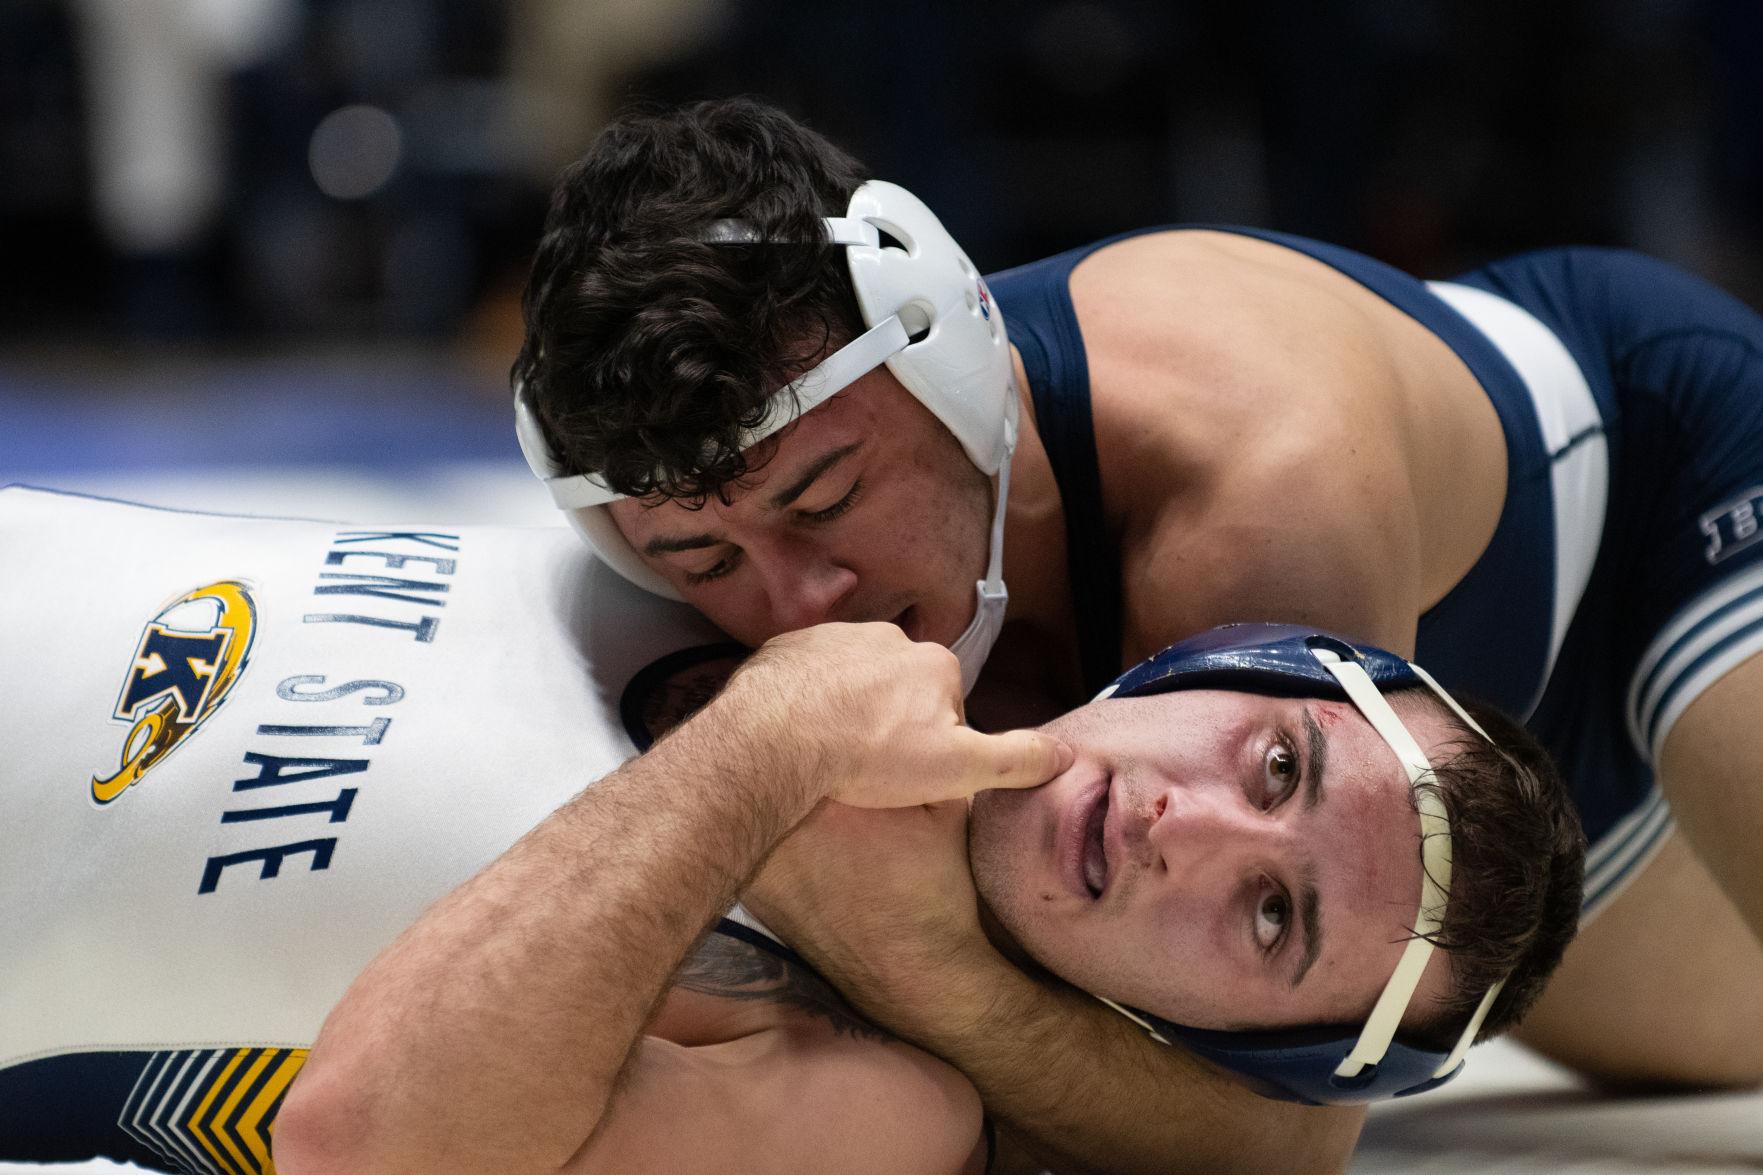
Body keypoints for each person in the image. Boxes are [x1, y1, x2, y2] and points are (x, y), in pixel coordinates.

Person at [512, 96, 1763, 1170]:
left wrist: (919, 955)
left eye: (828, 499)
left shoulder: (1248, 487)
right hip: (1419, 811)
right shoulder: (738, 525)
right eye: (704, 559)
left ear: (944, 349)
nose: (799, 603)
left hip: (1657, 493)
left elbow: (1286, 1137)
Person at [0, 489, 1579, 1173]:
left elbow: (366, 1142)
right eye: (1277, 765)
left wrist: (761, 750)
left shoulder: (865, 1103)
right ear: (1212, 666)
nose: (1195, 827)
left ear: (1229, 1038)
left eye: (1267, 918)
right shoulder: (812, 563)